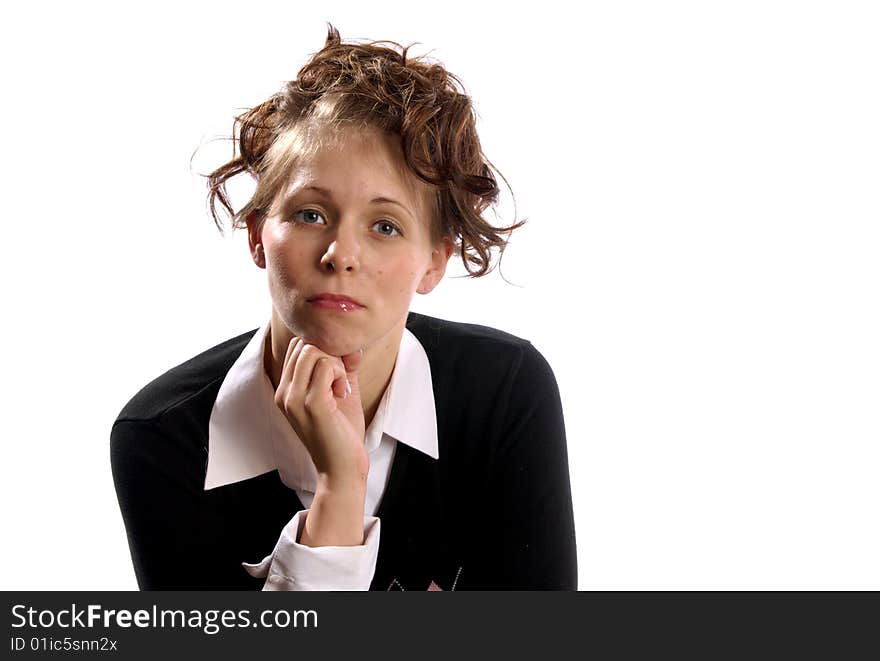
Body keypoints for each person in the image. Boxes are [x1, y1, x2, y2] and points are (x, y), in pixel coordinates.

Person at [110, 25, 577, 591]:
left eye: (385, 226)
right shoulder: (164, 436)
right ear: (258, 234)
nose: (341, 255)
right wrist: (340, 489)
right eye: (310, 214)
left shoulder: (502, 392)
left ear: (433, 262)